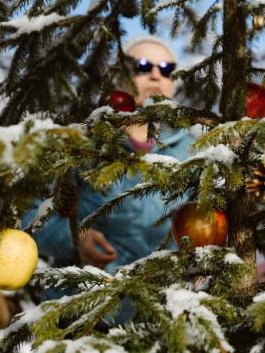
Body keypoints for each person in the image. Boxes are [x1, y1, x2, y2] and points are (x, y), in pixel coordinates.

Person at [22, 36, 194, 315]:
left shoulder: (193, 150)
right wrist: (75, 238)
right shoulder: (83, 142)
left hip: (163, 316)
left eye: (166, 69)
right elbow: (31, 218)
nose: (155, 75)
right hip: (81, 311)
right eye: (141, 66)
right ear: (117, 78)